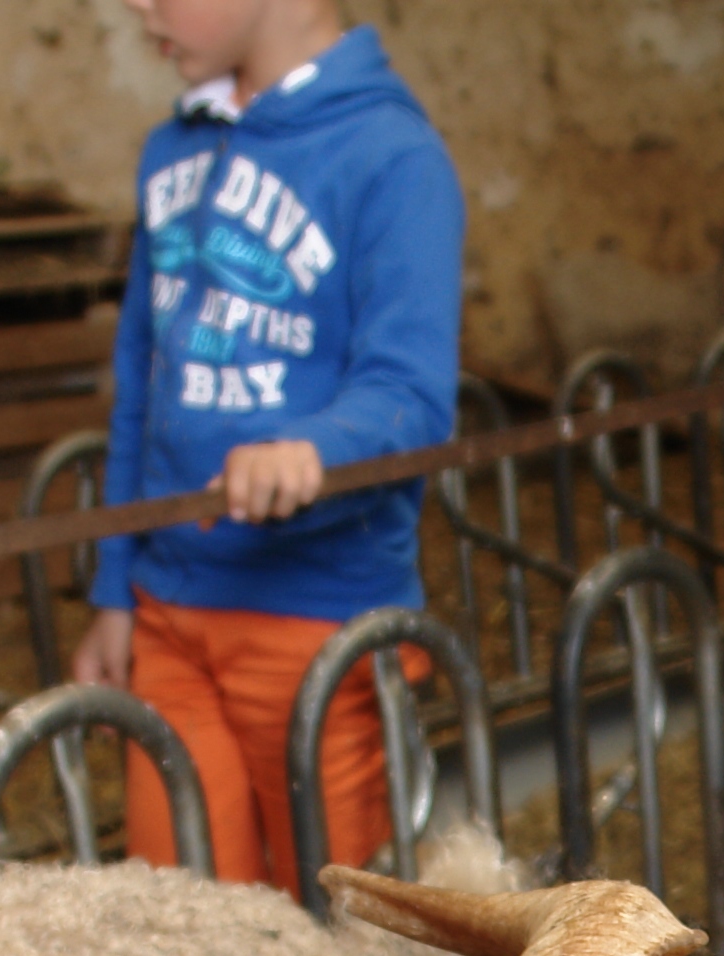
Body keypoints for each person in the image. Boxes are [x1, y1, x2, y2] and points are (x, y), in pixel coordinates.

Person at [73, 0, 463, 893]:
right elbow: (143, 379)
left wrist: (314, 449)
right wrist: (114, 588)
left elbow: (408, 392)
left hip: (313, 620)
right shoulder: (172, 151)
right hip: (169, 612)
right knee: (184, 914)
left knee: (330, 924)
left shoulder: (394, 159)